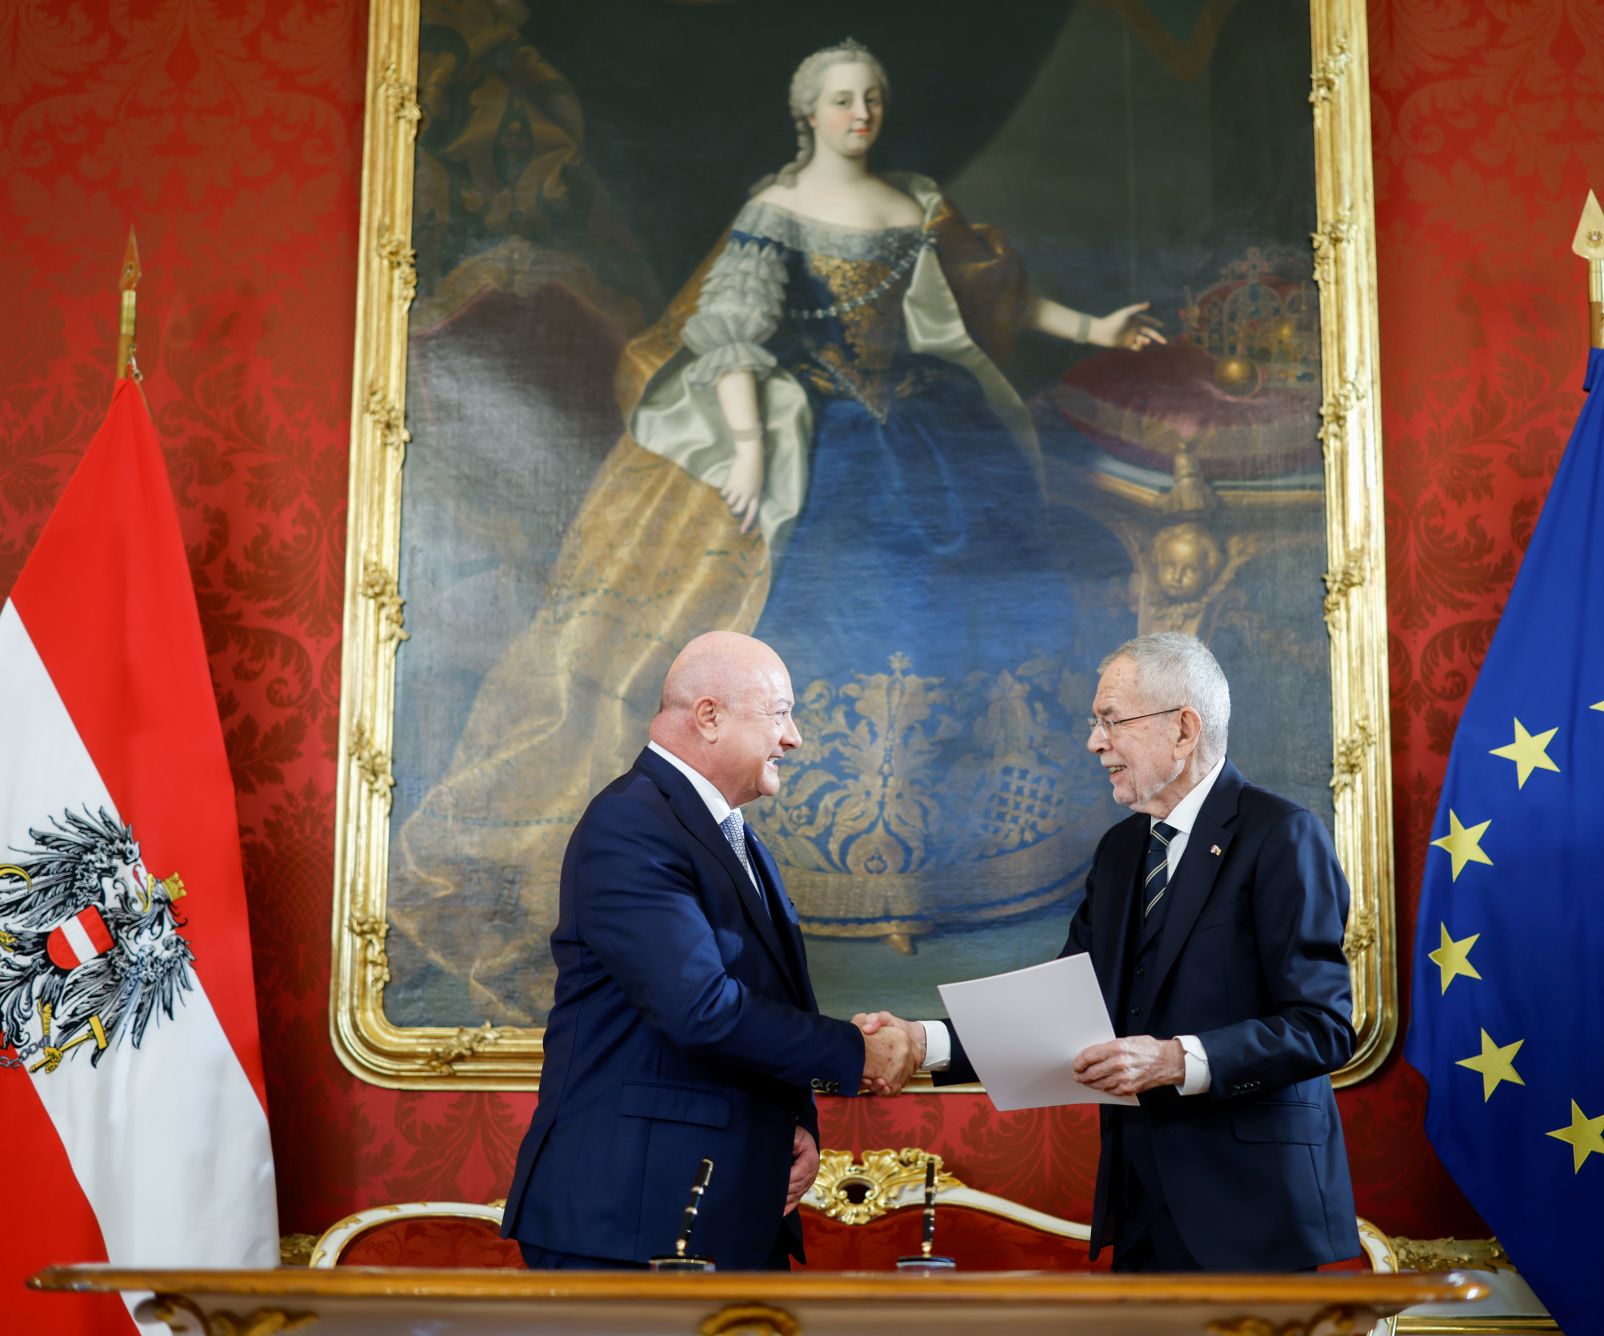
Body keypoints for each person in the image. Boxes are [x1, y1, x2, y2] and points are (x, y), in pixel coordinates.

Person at [391, 38, 1162, 1019]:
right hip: (819, 434)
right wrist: (752, 453)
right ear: (808, 113)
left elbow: (991, 298)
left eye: (871, 97)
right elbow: (729, 337)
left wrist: (1094, 330)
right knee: (845, 582)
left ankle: (970, 860)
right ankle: (818, 865)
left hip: (931, 420)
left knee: (988, 586)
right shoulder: (777, 210)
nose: (859, 114)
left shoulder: (917, 201)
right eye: (840, 99)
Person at [859, 632, 1358, 1272]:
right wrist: (920, 1042)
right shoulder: (1121, 853)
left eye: (1111, 721)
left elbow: (1323, 1027)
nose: (1095, 743)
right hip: (1142, 1205)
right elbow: (1059, 1012)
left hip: (1257, 1214)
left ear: (1183, 729)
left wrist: (1177, 1060)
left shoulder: (1282, 836)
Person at [501, 630, 916, 1271]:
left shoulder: (729, 835)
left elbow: (762, 999)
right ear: (709, 716)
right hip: (631, 1221)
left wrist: (792, 1124)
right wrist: (857, 1052)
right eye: (780, 714)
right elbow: (700, 1009)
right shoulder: (631, 823)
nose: (794, 737)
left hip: (716, 1209)